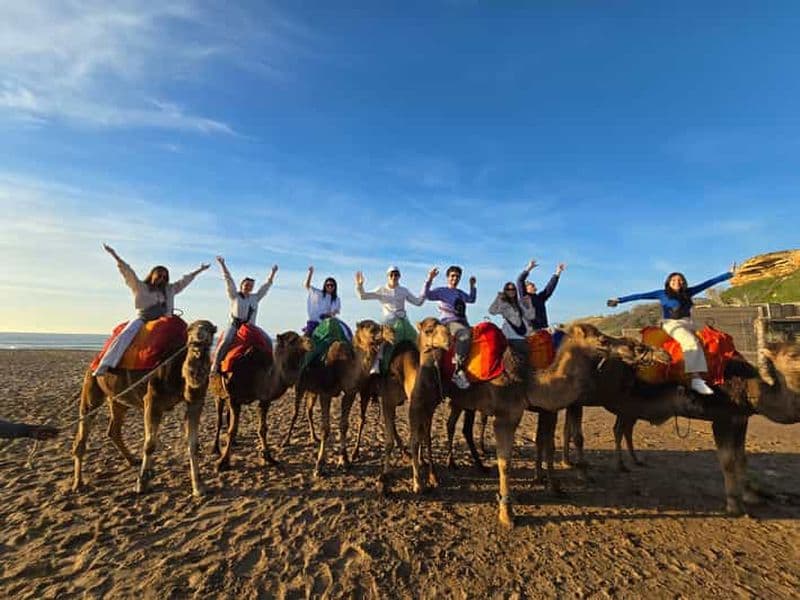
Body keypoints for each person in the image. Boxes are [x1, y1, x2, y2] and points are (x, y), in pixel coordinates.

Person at [607, 266, 736, 395]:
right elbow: (640, 296)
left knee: (710, 341)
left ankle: (713, 376)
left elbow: (709, 283)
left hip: (688, 323)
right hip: (672, 324)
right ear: (668, 282)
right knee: (691, 342)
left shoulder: (689, 292)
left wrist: (729, 274)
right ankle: (695, 379)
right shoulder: (662, 294)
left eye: (680, 280)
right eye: (673, 280)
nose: (677, 282)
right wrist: (619, 300)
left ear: (683, 282)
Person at [93, 244, 210, 376]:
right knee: (126, 335)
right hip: (143, 319)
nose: (162, 279)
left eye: (165, 277)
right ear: (152, 275)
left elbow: (185, 281)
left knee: (186, 336)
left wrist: (199, 270)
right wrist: (115, 256)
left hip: (166, 319)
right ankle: (105, 364)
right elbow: (128, 272)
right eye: (159, 275)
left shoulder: (170, 289)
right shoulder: (141, 287)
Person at [211, 256, 278, 374]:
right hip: (235, 326)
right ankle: (216, 365)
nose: (249, 287)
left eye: (251, 285)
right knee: (226, 341)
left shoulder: (255, 298)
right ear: (241, 285)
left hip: (251, 328)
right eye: (246, 285)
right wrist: (222, 264)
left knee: (267, 340)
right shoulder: (235, 296)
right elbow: (228, 279)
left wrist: (272, 273)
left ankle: (271, 368)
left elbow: (266, 286)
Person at [355, 265, 425, 373]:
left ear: (399, 276)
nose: (394, 276)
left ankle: (423, 365)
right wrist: (359, 285)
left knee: (416, 339)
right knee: (382, 342)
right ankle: (376, 365)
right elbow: (363, 296)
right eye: (391, 274)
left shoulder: (403, 290)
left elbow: (418, 302)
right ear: (388, 276)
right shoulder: (382, 290)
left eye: (396, 274)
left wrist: (427, 283)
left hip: (403, 321)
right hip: (388, 321)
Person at [423, 265, 476, 389]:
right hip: (448, 322)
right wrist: (429, 279)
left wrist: (472, 286)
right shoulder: (442, 291)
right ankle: (458, 371)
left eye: (457, 276)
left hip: (463, 322)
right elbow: (427, 295)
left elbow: (472, 299)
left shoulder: (460, 293)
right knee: (464, 335)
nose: (455, 278)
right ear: (447, 277)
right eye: (452, 276)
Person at [516, 259, 566, 331]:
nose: (535, 287)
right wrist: (529, 268)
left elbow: (549, 288)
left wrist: (558, 272)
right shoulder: (524, 297)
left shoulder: (540, 298)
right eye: (532, 285)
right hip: (530, 331)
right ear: (526, 288)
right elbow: (520, 281)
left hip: (542, 329)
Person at [489, 282, 536, 355]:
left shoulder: (520, 303)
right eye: (508, 289)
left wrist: (529, 303)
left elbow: (531, 316)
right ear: (505, 291)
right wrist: (498, 298)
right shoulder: (503, 303)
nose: (511, 291)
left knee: (526, 358)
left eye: (513, 289)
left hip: (520, 337)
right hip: (507, 336)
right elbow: (492, 311)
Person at [304, 266, 350, 339]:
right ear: (325, 286)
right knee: (306, 340)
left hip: (328, 322)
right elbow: (307, 285)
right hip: (315, 321)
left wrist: (329, 314)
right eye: (328, 285)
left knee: (346, 333)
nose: (329, 287)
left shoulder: (336, 299)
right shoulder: (318, 293)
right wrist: (310, 273)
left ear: (335, 287)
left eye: (332, 285)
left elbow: (335, 310)